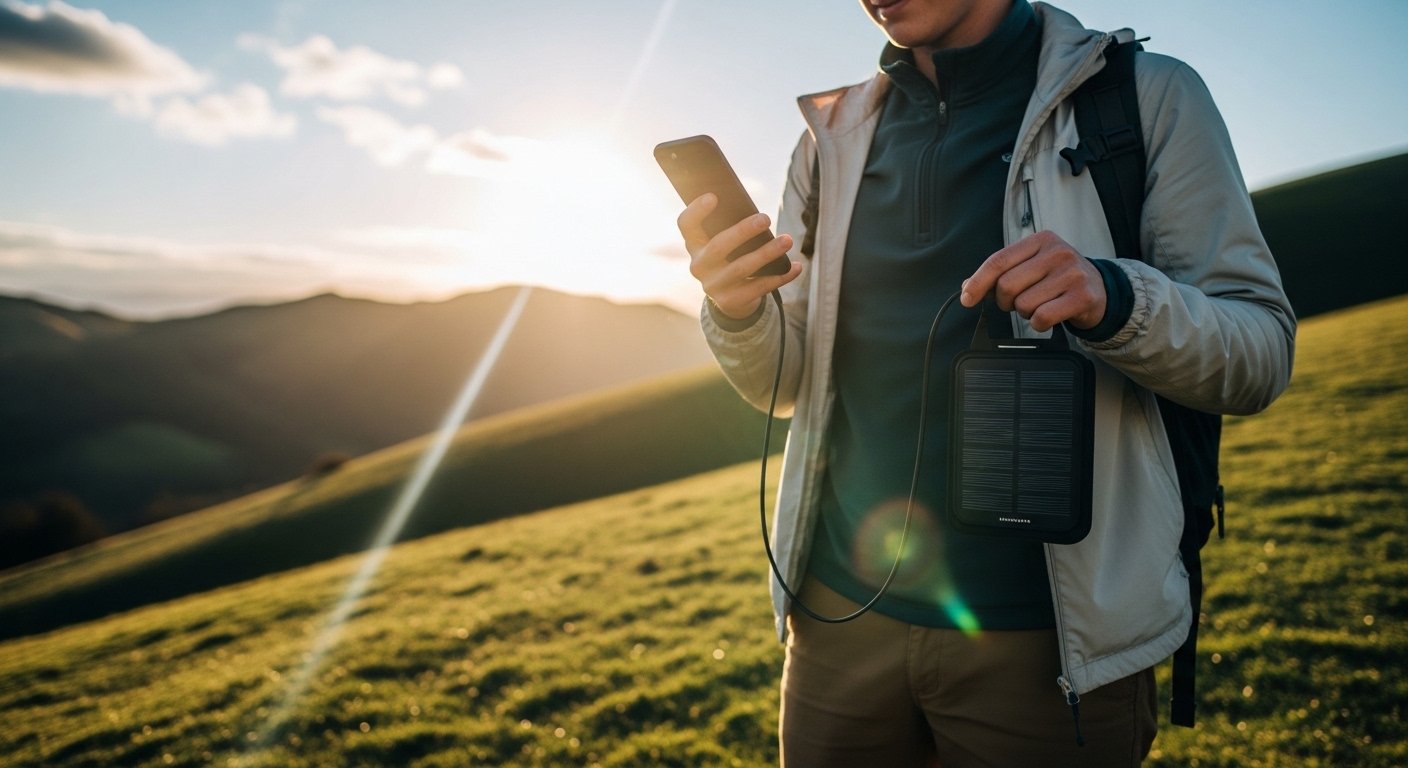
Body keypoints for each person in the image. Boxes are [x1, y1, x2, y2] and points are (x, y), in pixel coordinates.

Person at [675, 0, 1295, 765]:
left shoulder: (1146, 96)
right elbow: (788, 382)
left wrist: (1114, 298)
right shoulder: (828, 140)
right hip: (837, 619)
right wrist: (737, 314)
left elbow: (1261, 352)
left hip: (1051, 644)